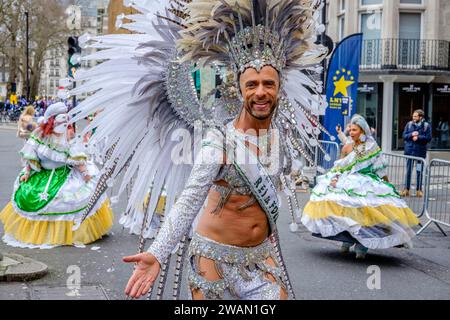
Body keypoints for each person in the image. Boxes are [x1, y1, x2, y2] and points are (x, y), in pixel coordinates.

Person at [69, 0, 329, 300]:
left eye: (268, 84)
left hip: (261, 260)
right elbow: (189, 201)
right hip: (213, 260)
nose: (261, 92)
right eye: (252, 84)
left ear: (279, 87)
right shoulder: (218, 141)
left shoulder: (280, 137)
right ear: (240, 90)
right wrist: (157, 253)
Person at [302, 114, 420, 259]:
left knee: (366, 211)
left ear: (363, 131)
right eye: (350, 130)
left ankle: (362, 244)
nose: (351, 133)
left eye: (354, 130)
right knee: (343, 208)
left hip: (367, 181)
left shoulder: (372, 147)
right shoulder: (347, 147)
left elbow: (380, 169)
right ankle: (346, 239)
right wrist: (334, 178)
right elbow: (339, 167)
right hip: (347, 180)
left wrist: (388, 184)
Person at [0, 102, 114, 249]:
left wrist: (85, 173)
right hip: (42, 174)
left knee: (67, 200)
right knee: (28, 195)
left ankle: (66, 234)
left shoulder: (67, 137)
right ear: (52, 121)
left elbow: (76, 157)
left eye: (66, 122)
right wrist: (27, 172)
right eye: (61, 121)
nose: (65, 125)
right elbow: (30, 155)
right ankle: (42, 234)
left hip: (64, 174)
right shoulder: (40, 135)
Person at [401, 110, 432, 198]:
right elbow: (404, 135)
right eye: (413, 116)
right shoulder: (409, 124)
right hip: (409, 152)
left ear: (420, 117)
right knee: (408, 172)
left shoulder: (426, 126)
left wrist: (418, 138)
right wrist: (411, 134)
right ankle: (406, 190)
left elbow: (428, 138)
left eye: (415, 116)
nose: (413, 118)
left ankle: (419, 190)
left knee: (419, 172)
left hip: (420, 154)